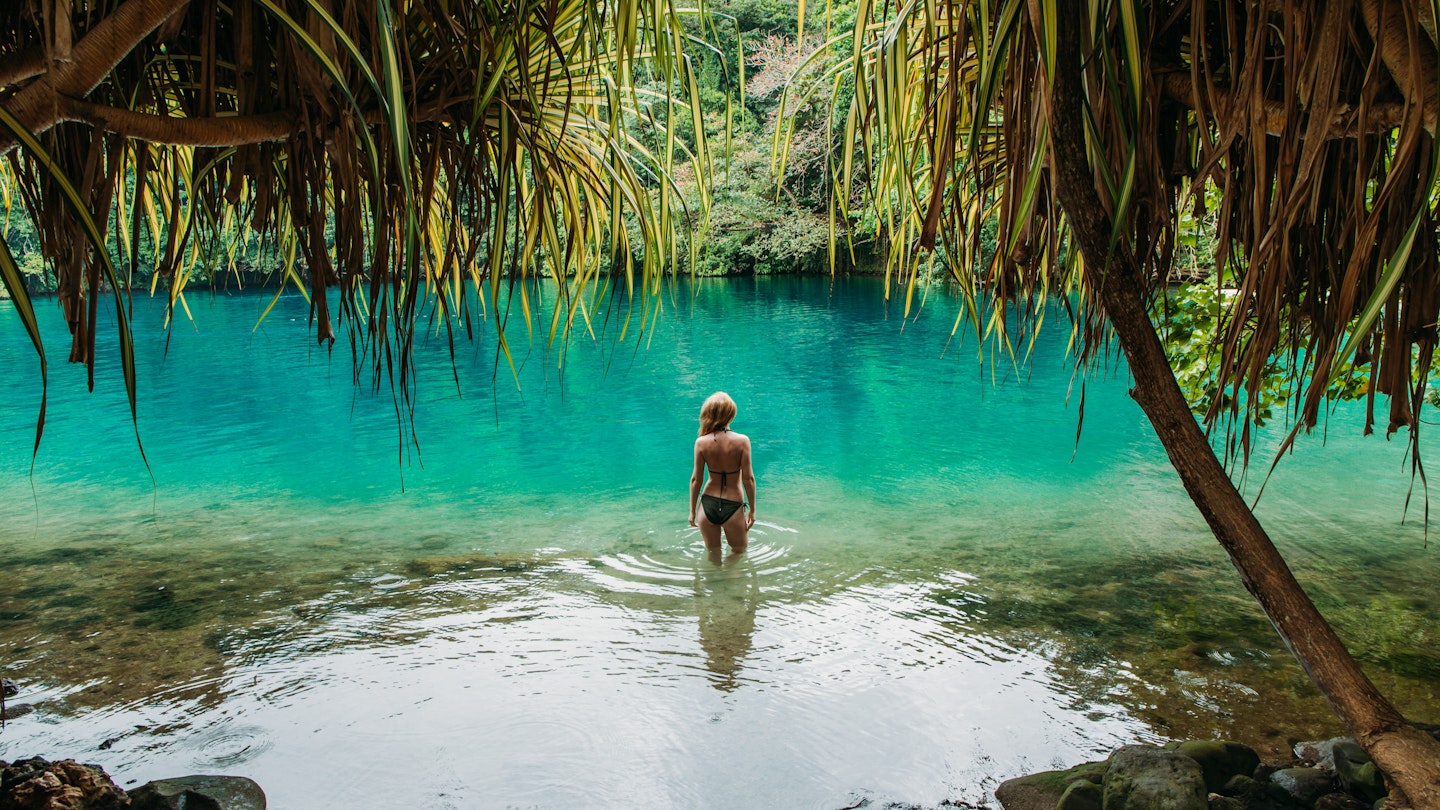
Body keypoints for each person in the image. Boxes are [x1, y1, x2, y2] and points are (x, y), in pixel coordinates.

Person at [688, 392, 756, 555]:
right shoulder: (742, 441)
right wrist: (752, 510)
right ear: (730, 414)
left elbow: (696, 479)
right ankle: (728, 578)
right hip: (733, 505)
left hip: (707, 505)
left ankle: (714, 580)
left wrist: (692, 511)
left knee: (713, 556)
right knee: (739, 553)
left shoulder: (701, 442)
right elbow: (749, 479)